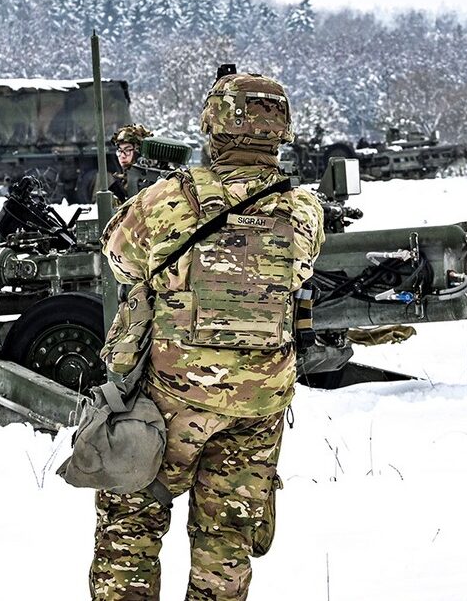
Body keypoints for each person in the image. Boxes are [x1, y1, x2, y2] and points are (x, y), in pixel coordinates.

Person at [90, 70, 325, 600]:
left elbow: (120, 259)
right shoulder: (303, 209)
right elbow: (297, 272)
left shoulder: (166, 198)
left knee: (131, 527)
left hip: (172, 399)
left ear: (212, 124)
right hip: (260, 402)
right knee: (227, 541)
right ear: (280, 131)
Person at [109, 123, 153, 203]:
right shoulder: (120, 183)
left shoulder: (151, 182)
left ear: (138, 151)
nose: (122, 156)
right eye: (120, 150)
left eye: (127, 150)